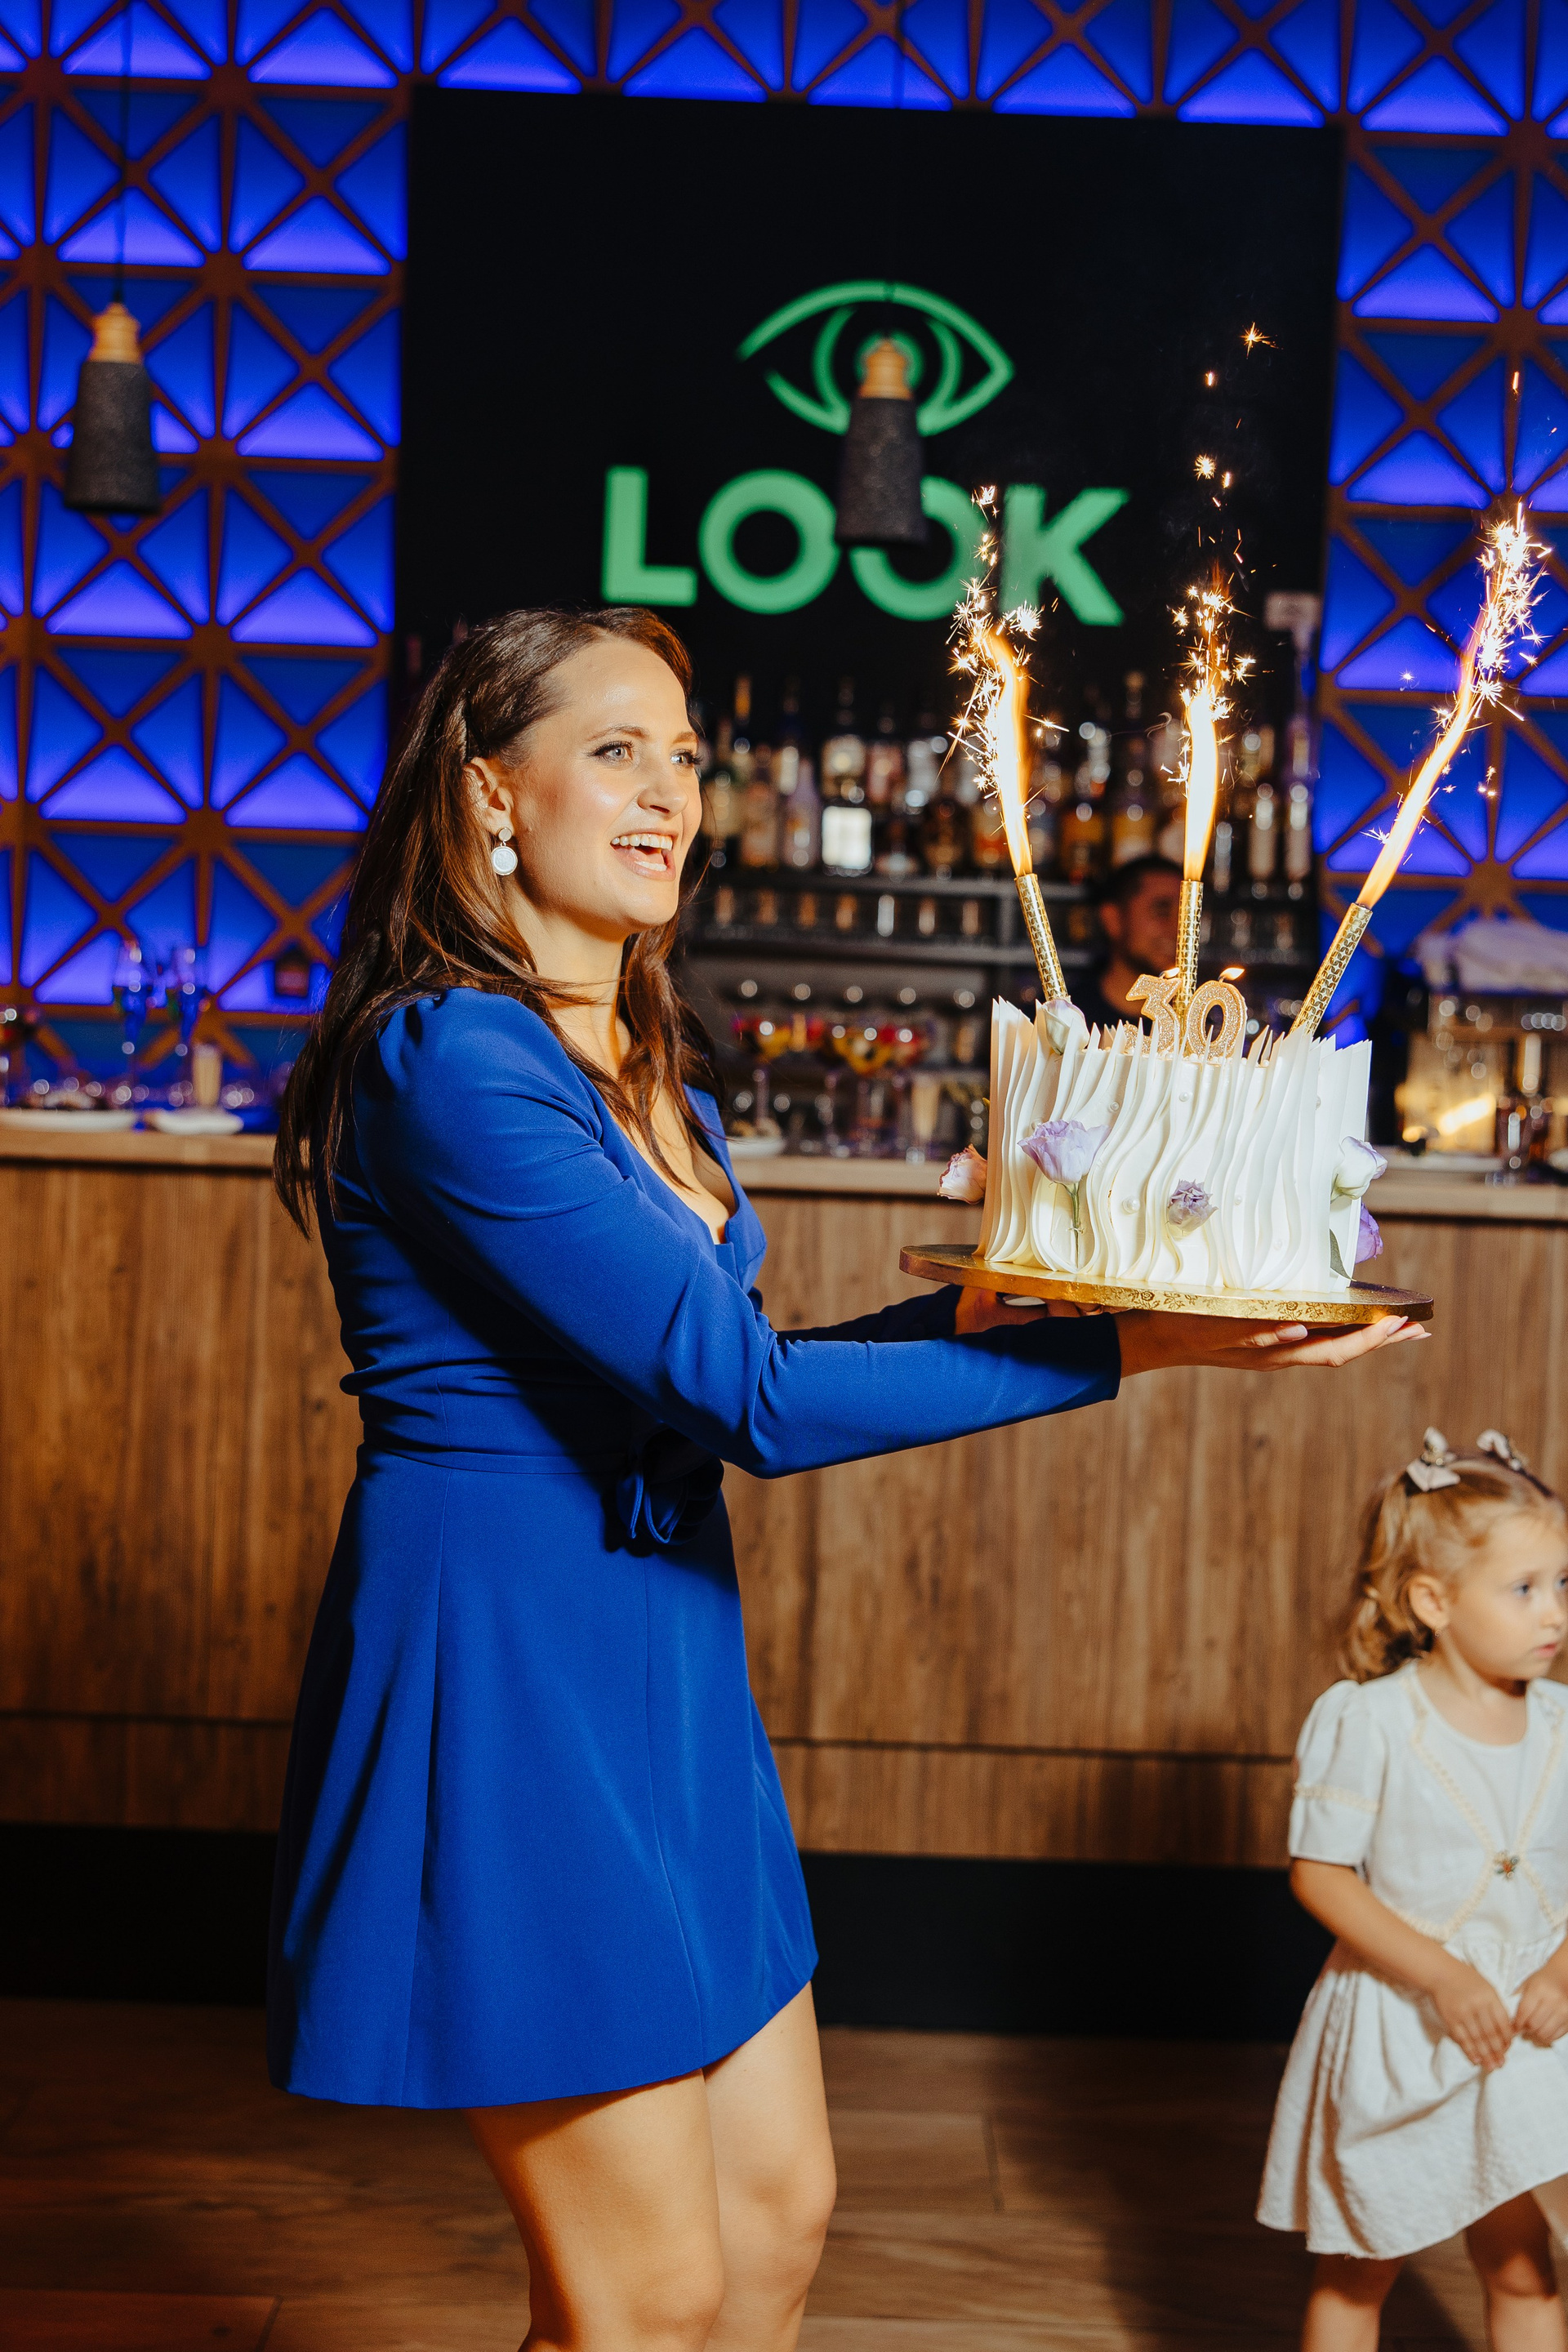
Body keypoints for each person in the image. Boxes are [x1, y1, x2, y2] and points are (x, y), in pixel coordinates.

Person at [267, 606, 1419, 2352]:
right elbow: (755, 1401)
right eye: (616, 751)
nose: (672, 793)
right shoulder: (452, 1059)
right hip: (506, 1659)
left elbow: (725, 1362)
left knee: (775, 2222)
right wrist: (1130, 1347)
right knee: (643, 2298)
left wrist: (1069, 1294)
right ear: (492, 793)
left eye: (686, 757)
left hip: (666, 1649)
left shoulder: (644, 1057)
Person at [1258, 1428, 1568, 2351]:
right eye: (1523, 1589)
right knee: (1361, 2266)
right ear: (1434, 1601)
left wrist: (1561, 1969)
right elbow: (1320, 1873)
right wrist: (1441, 1974)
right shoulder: (1372, 1722)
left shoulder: (1561, 1723)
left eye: (1563, 1584)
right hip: (1405, 2024)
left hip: (1526, 2029)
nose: (1554, 1613)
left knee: (1524, 2265)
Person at [1076, 853, 1183, 1034]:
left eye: (1185, 915)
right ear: (1113, 919)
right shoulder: (1065, 1020)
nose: (1178, 928)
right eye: (1162, 911)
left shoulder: (1197, 1024)